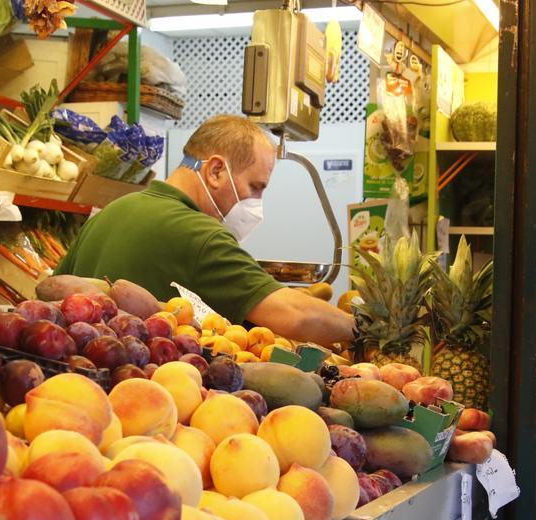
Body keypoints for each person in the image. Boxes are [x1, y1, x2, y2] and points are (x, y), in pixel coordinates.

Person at [54, 115, 355, 347]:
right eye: (255, 187)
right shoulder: (201, 234)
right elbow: (295, 314)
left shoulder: (108, 214)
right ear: (215, 171)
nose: (256, 202)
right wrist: (363, 328)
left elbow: (51, 297)